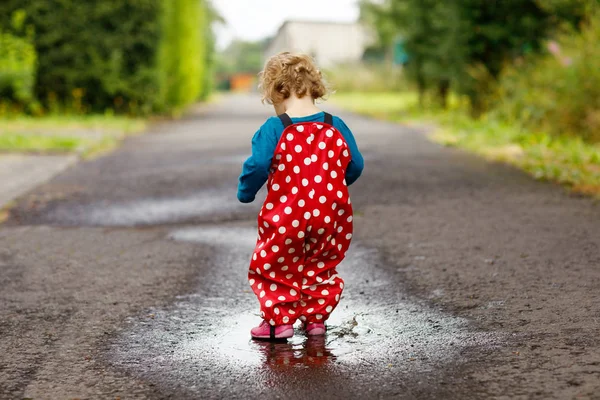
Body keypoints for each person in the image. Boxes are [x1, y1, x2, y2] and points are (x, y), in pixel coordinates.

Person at [237, 52, 364, 340]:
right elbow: (355, 164)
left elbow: (257, 165)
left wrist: (245, 192)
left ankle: (279, 323)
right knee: (320, 262)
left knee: (276, 263)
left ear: (276, 90)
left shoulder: (275, 128)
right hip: (328, 214)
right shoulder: (335, 125)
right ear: (314, 86)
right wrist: (334, 183)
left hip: (287, 216)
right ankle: (315, 320)